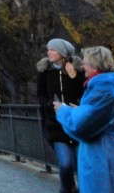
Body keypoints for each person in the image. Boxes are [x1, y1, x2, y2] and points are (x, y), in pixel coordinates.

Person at [53, 46, 114, 193]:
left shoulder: (103, 89)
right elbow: (107, 117)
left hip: (104, 160)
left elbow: (81, 127)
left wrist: (63, 111)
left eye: (85, 63)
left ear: (94, 66)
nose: (82, 66)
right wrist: (81, 110)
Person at [37, 38, 85, 193]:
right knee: (65, 163)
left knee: (81, 163)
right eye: (48, 49)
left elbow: (85, 93)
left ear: (62, 53)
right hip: (55, 124)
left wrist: (73, 76)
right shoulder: (45, 71)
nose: (48, 52)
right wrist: (50, 105)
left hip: (77, 123)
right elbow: (41, 94)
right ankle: (67, 189)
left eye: (52, 49)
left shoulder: (78, 70)